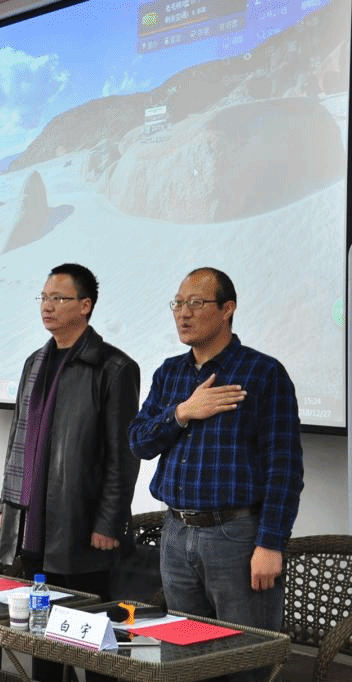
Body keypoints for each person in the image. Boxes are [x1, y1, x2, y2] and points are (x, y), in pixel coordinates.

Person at [129, 267, 303, 682]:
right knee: (184, 660)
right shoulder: (170, 372)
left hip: (236, 537)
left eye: (195, 303)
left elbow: (284, 467)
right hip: (176, 532)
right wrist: (182, 412)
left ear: (227, 309)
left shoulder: (263, 373)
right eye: (178, 303)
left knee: (244, 660)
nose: (183, 313)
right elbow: (138, 442)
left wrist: (270, 543)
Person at [0, 264, 140, 682]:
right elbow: (18, 440)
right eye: (43, 297)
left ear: (85, 305)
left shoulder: (114, 367)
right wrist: (10, 505)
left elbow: (122, 455)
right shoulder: (34, 362)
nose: (47, 306)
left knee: (94, 642)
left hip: (83, 525)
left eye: (58, 298)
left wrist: (109, 520)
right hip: (36, 525)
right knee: (44, 638)